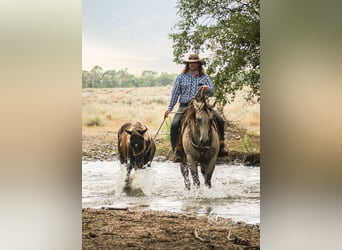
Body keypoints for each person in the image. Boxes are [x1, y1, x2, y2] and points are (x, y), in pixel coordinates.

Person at [164, 54, 229, 162]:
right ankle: (176, 150)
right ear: (187, 64)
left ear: (198, 64)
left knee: (220, 120)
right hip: (185, 105)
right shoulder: (181, 77)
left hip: (201, 105)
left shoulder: (204, 77)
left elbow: (212, 92)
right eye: (190, 63)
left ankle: (221, 146)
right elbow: (175, 93)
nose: (192, 65)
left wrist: (207, 88)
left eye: (194, 62)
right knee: (174, 125)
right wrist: (169, 108)